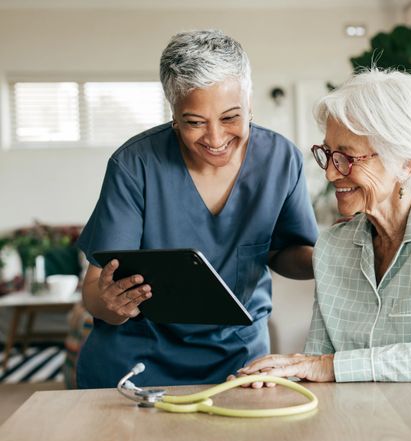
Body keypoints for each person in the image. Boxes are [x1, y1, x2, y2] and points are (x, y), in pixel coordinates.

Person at [76, 30, 318, 388]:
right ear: (173, 113)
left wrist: (329, 258)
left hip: (239, 364)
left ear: (250, 102)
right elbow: (94, 291)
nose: (216, 139)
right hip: (136, 364)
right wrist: (109, 305)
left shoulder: (281, 160)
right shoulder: (135, 165)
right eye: (194, 122)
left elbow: (285, 253)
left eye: (231, 117)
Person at [234, 69, 411, 385]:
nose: (331, 174)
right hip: (351, 425)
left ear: (406, 162)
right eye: (328, 154)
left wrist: (334, 367)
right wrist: (286, 375)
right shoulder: (332, 246)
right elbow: (318, 364)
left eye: (347, 158)